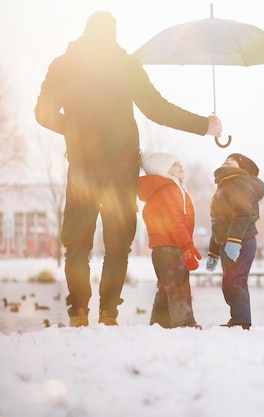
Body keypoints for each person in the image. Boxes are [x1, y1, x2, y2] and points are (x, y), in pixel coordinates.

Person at [34, 11, 222, 327]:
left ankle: (79, 314)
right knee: (118, 245)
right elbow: (157, 109)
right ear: (113, 35)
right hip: (121, 167)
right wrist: (204, 125)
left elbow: (42, 113)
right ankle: (109, 316)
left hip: (82, 167)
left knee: (77, 244)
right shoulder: (125, 65)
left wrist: (74, 131)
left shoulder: (63, 65)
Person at [138, 152, 202, 329]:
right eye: (174, 164)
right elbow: (174, 221)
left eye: (180, 162)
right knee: (179, 284)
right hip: (171, 246)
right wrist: (187, 246)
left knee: (167, 286)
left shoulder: (166, 189)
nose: (181, 166)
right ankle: (184, 322)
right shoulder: (169, 189)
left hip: (162, 248)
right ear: (162, 170)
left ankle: (160, 322)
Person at [205, 154, 264, 329]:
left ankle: (241, 322)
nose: (227, 159)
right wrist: (213, 251)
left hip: (242, 241)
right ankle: (238, 319)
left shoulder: (239, 182)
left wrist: (234, 240)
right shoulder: (225, 185)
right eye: (226, 158)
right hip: (230, 242)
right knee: (230, 281)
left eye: (233, 159)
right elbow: (218, 222)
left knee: (235, 280)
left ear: (242, 167)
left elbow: (243, 213)